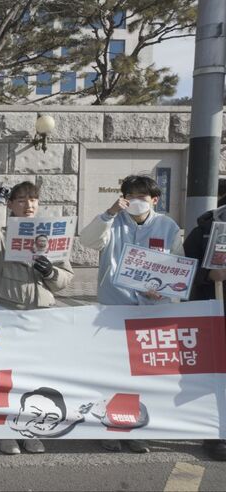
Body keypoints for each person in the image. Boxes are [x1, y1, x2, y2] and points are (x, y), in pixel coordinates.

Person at [80, 174, 183, 454]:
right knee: (112, 370)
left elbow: (178, 268)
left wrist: (164, 291)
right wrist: (109, 213)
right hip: (114, 309)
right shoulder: (113, 222)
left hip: (151, 312)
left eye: (142, 196)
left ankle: (137, 428)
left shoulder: (168, 226)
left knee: (143, 373)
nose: (136, 201)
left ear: (155, 200)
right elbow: (88, 241)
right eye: (130, 196)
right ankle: (110, 426)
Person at [0, 181, 73, 455]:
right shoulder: (2, 234)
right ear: (11, 205)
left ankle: (31, 430)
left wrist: (51, 272)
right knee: (4, 375)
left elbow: (65, 277)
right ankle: (4, 432)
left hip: (40, 313)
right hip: (5, 309)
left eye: (33, 200)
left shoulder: (50, 235)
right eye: (21, 200)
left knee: (33, 376)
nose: (28, 205)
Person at [182, 192, 226, 461]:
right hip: (213, 314)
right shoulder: (205, 231)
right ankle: (216, 433)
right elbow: (182, 269)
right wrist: (208, 275)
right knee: (214, 375)